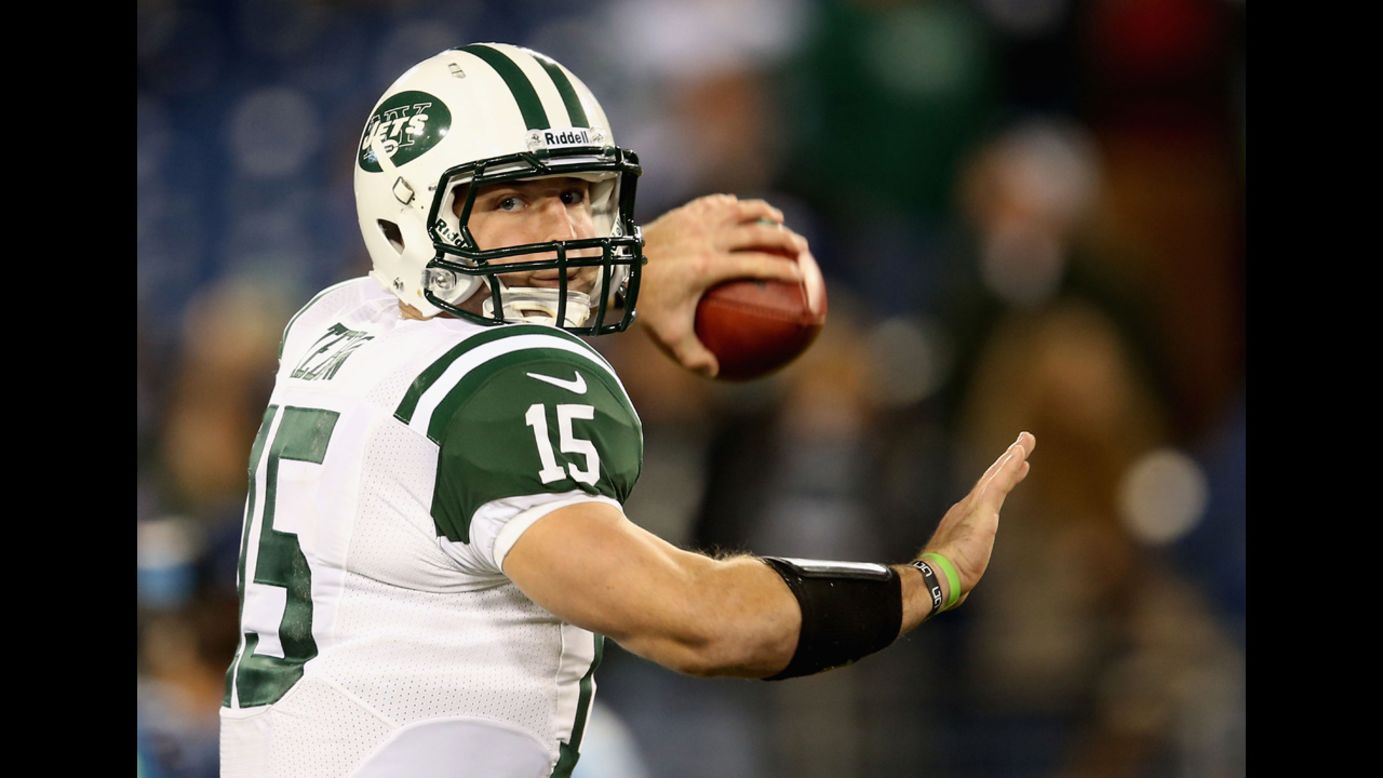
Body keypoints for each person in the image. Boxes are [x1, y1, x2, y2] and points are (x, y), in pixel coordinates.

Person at [219, 43, 1035, 778]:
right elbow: (701, 625)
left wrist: (635, 268)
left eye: (577, 193)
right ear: (412, 217)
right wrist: (929, 580)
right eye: (513, 201)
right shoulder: (509, 382)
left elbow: (474, 301)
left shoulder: (332, 324)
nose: (569, 230)